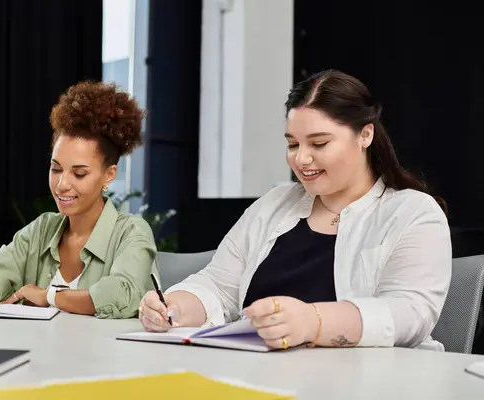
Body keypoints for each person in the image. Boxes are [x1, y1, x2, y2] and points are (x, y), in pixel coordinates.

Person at [139, 69, 452, 351]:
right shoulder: (275, 205)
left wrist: (313, 322)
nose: (301, 159)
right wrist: (174, 308)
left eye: (318, 144)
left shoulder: (412, 212)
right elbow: (219, 286)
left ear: (365, 135)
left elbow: (410, 313)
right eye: (293, 144)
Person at [0, 81, 158, 318]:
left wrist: (50, 296)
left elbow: (123, 294)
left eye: (79, 173)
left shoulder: (131, 233)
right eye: (56, 169)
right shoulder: (42, 230)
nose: (62, 184)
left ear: (109, 175)